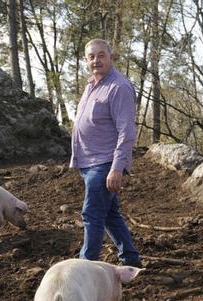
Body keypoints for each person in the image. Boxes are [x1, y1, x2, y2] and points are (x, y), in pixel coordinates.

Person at [70, 39, 142, 268]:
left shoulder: (118, 87)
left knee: (91, 215)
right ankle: (130, 259)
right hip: (90, 162)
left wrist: (116, 168)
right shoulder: (92, 84)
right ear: (86, 60)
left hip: (104, 163)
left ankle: (85, 266)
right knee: (110, 215)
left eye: (101, 55)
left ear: (110, 57)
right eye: (91, 57)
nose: (96, 60)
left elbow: (127, 131)